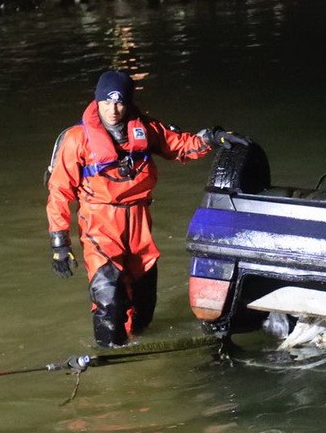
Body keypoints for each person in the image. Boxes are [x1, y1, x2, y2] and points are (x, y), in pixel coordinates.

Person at [45, 70, 248, 347]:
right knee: (109, 297)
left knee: (144, 304)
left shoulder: (145, 129)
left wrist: (214, 138)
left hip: (139, 220)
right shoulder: (76, 139)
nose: (112, 110)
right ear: (97, 101)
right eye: (106, 102)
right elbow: (59, 191)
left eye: (119, 103)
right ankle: (108, 352)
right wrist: (59, 243)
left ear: (128, 103)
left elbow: (180, 146)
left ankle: (134, 343)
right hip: (100, 222)